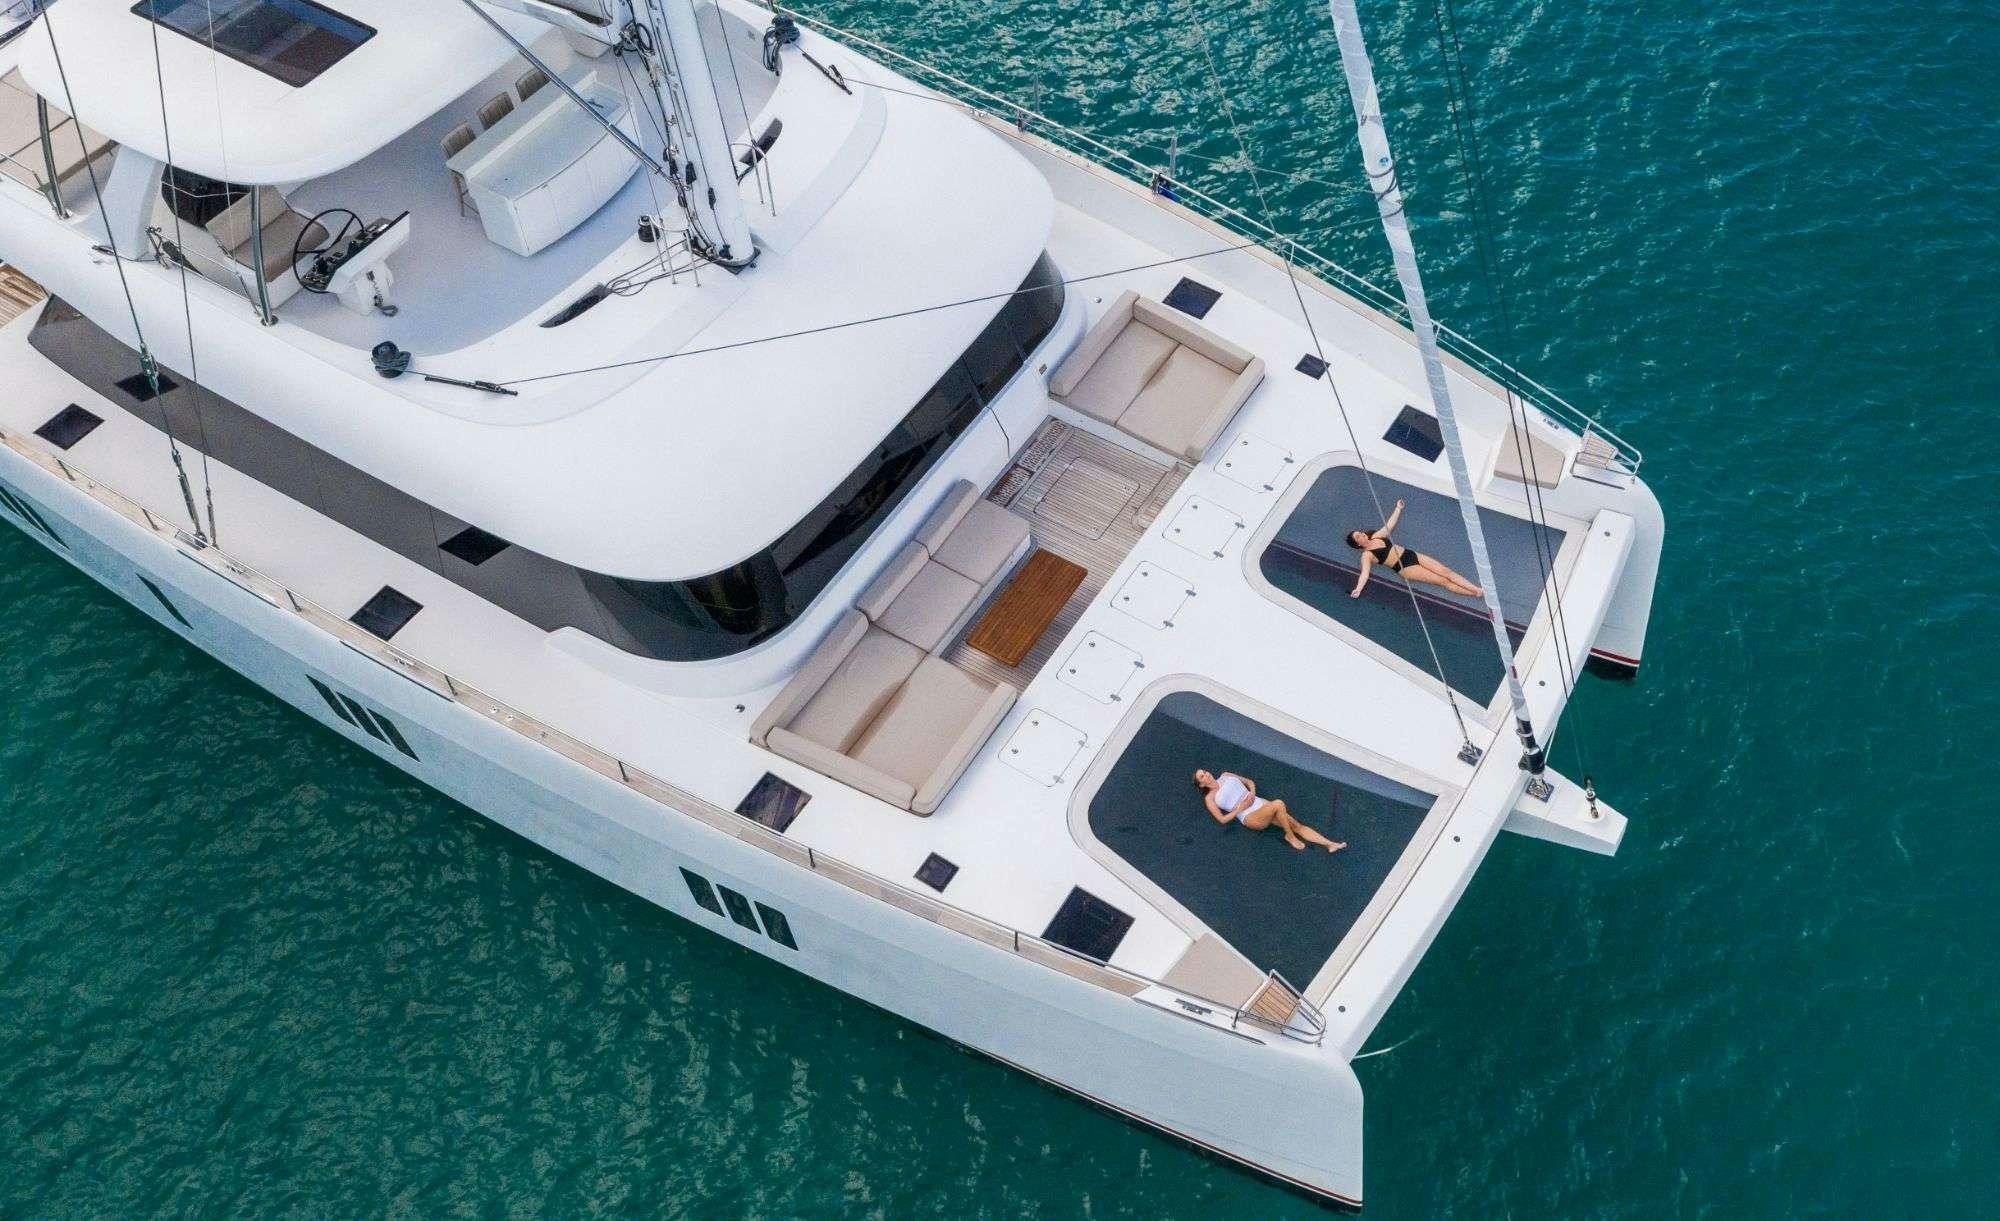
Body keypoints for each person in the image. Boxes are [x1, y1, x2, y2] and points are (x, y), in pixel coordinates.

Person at [1345, 496, 1483, 599]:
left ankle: (1475, 589)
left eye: (1360, 532)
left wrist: (1398, 508)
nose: (1361, 534)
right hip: (1405, 568)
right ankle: (1476, 592)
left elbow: (1390, 524)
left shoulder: (1376, 536)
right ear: (1358, 544)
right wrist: (1358, 588)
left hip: (1411, 554)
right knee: (1443, 581)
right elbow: (1364, 574)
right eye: (1358, 536)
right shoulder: (1367, 555)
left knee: (1445, 571)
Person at [1194, 769, 1344, 852]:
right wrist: (1240, 809)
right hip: (1248, 816)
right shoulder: (1210, 798)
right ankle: (1290, 837)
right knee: (1278, 803)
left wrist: (1252, 793)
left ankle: (1330, 844)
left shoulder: (1226, 775)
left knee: (1297, 825)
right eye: (1202, 776)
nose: (1206, 775)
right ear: (1201, 784)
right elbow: (1222, 819)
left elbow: (1249, 782)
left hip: (1259, 802)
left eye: (1205, 772)